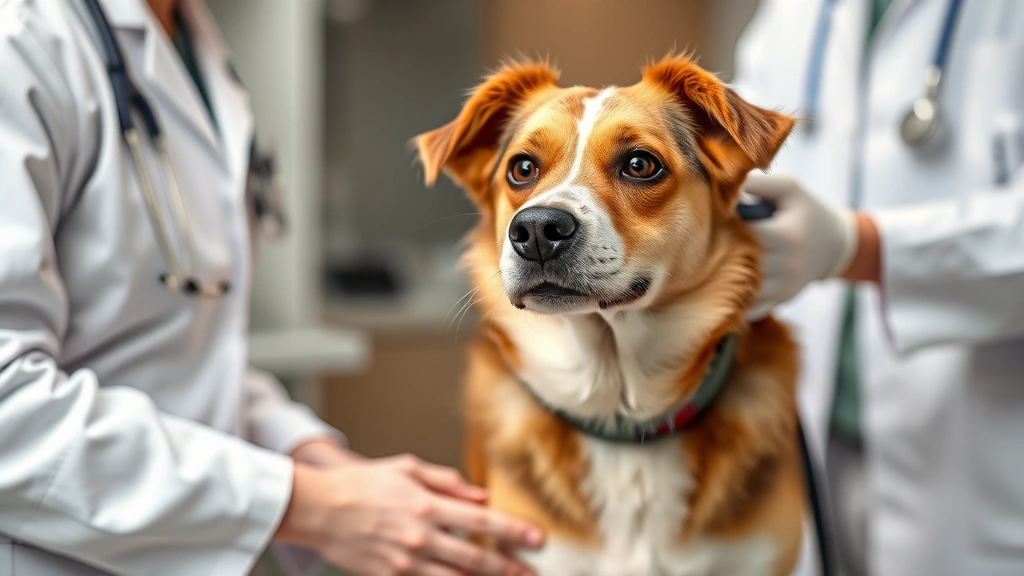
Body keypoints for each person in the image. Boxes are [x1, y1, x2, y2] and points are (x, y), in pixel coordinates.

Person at [0, 0, 543, 574]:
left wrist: (312, 458)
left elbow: (190, 346)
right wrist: (304, 503)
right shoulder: (21, 37)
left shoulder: (194, 39)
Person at [733, 1, 1024, 575]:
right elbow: (720, 147)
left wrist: (857, 246)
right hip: (810, 449)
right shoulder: (797, 13)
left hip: (986, 468)